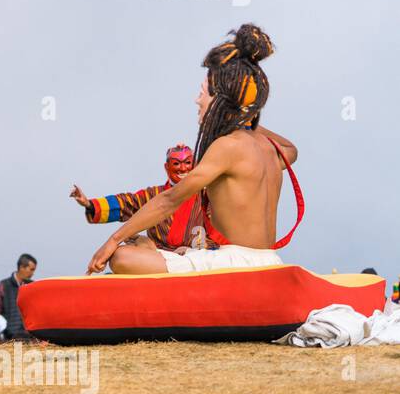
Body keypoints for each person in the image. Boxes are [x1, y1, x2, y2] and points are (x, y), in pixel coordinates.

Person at [88, 24, 300, 275]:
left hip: (235, 264)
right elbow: (292, 149)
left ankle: (146, 249)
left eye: (202, 93)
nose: (197, 100)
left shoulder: (227, 147)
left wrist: (113, 240)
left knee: (123, 256)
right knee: (167, 251)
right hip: (270, 259)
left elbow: (170, 199)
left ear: (220, 100)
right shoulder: (268, 148)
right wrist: (244, 113)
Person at [71, 143, 213, 251]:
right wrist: (89, 204)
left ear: (194, 165)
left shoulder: (206, 193)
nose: (183, 169)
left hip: (198, 257)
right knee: (124, 251)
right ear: (166, 167)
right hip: (159, 258)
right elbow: (126, 203)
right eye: (176, 163)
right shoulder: (154, 195)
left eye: (187, 163)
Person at [0, 254, 36, 341]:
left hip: (29, 335)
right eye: (31, 269)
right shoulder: (4, 285)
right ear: (22, 267)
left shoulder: (33, 286)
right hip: (9, 337)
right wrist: (5, 329)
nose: (33, 273)